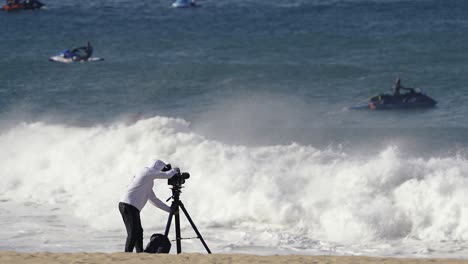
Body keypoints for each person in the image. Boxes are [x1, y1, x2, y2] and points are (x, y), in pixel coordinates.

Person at [119, 159, 178, 253]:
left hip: (130, 206)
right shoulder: (146, 171)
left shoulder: (147, 181)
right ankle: (127, 255)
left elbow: (154, 200)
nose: (160, 172)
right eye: (161, 170)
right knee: (133, 232)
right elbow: (166, 175)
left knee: (138, 232)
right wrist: (175, 170)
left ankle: (140, 253)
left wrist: (169, 210)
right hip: (128, 205)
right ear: (157, 168)